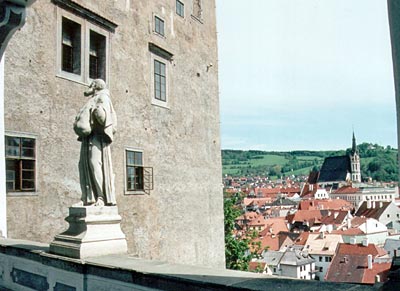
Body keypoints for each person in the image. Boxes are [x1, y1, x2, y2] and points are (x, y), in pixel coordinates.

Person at [73, 79, 117, 206]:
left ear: (95, 86)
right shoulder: (92, 99)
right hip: (87, 138)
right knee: (84, 165)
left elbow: (106, 120)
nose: (89, 86)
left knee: (95, 164)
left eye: (91, 85)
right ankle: (87, 198)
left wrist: (98, 112)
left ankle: (101, 197)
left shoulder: (103, 97)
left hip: (98, 137)